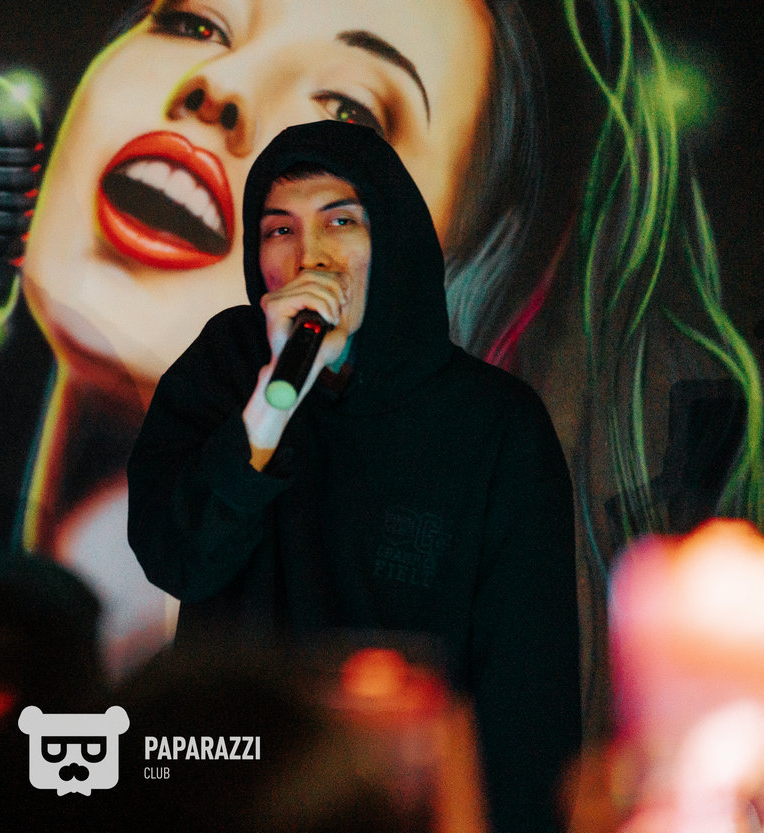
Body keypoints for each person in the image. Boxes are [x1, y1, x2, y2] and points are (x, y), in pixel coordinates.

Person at [127, 120, 581, 833]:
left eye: (341, 221)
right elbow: (178, 555)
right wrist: (270, 406)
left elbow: (527, 696)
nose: (311, 256)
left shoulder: (495, 424)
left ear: (393, 238)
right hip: (239, 792)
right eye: (279, 230)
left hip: (402, 802)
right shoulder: (227, 369)